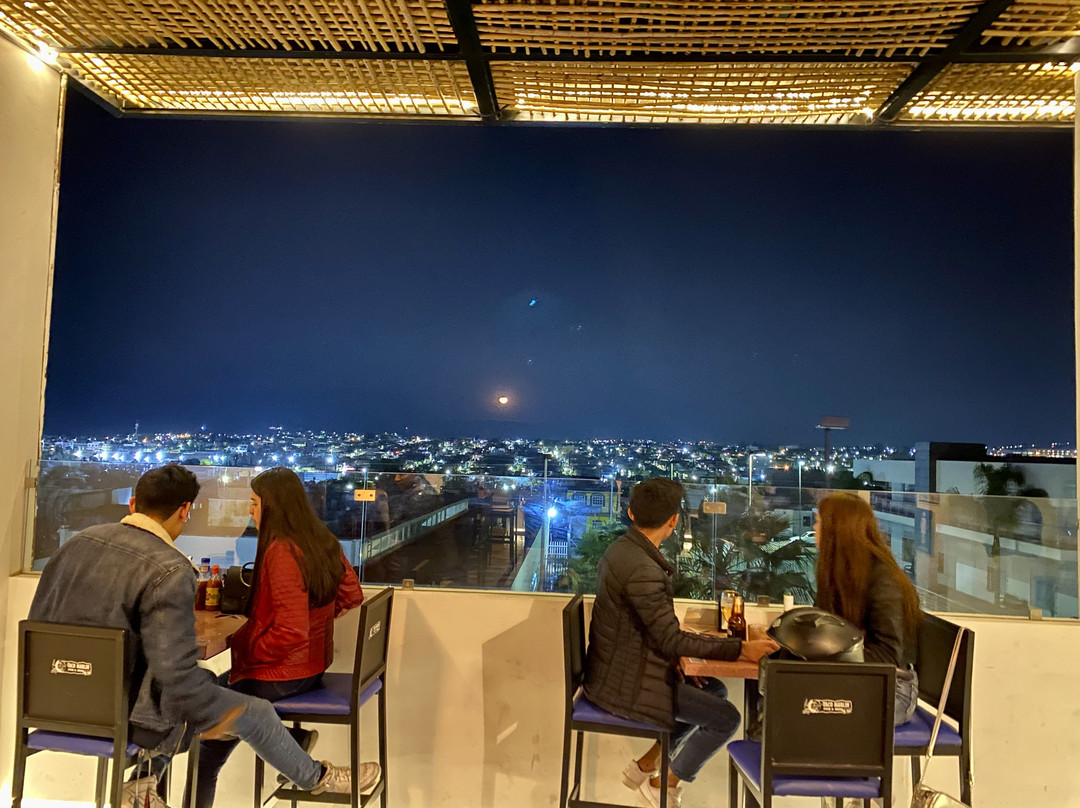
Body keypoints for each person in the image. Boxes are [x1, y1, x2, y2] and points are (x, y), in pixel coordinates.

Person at [28, 464, 355, 808]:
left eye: (254, 503)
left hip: (50, 700)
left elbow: (41, 622)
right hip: (120, 712)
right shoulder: (169, 567)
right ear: (185, 511)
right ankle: (317, 778)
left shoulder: (74, 544)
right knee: (230, 707)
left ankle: (143, 783)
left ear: (133, 503)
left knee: (201, 694)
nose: (250, 510)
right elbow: (175, 674)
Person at [583, 478, 778, 808]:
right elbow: (670, 638)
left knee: (714, 690)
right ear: (674, 521)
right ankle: (664, 786)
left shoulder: (623, 550)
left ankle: (645, 765)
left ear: (631, 513)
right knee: (726, 718)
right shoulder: (643, 568)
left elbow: (649, 632)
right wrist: (742, 649)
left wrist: (673, 659)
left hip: (612, 673)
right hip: (621, 686)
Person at [192, 466, 373, 808]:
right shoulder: (321, 539)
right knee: (210, 723)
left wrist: (249, 646)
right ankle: (292, 741)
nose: (250, 511)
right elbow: (352, 595)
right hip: (312, 668)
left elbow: (290, 632)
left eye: (254, 502)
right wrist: (318, 619)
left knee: (206, 735)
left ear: (273, 507)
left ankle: (297, 751)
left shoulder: (282, 552)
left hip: (281, 674)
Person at [814, 492, 922, 724]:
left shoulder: (884, 579)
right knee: (781, 691)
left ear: (836, 531)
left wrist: (822, 652)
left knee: (800, 706)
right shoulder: (838, 575)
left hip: (894, 689)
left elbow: (887, 657)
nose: (814, 528)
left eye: (819, 523)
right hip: (856, 679)